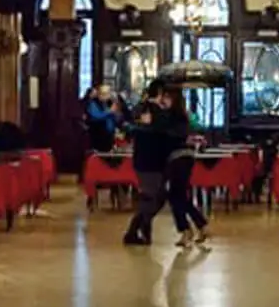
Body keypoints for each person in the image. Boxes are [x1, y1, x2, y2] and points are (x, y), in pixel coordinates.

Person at [122, 81, 188, 246]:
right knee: (153, 198)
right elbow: (161, 131)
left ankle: (143, 230)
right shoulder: (155, 111)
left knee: (154, 197)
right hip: (151, 160)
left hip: (149, 160)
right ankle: (134, 231)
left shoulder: (143, 109)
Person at [159, 87, 211, 248]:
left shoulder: (174, 117)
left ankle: (189, 228)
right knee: (178, 196)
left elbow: (174, 136)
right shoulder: (183, 116)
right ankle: (196, 226)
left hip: (179, 159)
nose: (163, 100)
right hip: (182, 158)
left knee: (176, 195)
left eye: (166, 97)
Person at [83, 86, 119, 153]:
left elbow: (112, 118)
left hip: (108, 137)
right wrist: (110, 111)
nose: (109, 96)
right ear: (101, 94)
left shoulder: (106, 103)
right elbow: (97, 116)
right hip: (98, 137)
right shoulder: (93, 103)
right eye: (108, 94)